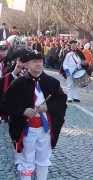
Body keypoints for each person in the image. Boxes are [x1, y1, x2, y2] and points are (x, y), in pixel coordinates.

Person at [4, 49, 67, 180]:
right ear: (26, 65)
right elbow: (6, 104)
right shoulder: (18, 83)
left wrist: (48, 107)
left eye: (40, 61)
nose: (38, 64)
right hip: (26, 130)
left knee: (43, 160)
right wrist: (23, 111)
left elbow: (61, 102)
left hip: (46, 130)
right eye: (34, 62)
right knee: (27, 161)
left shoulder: (52, 83)